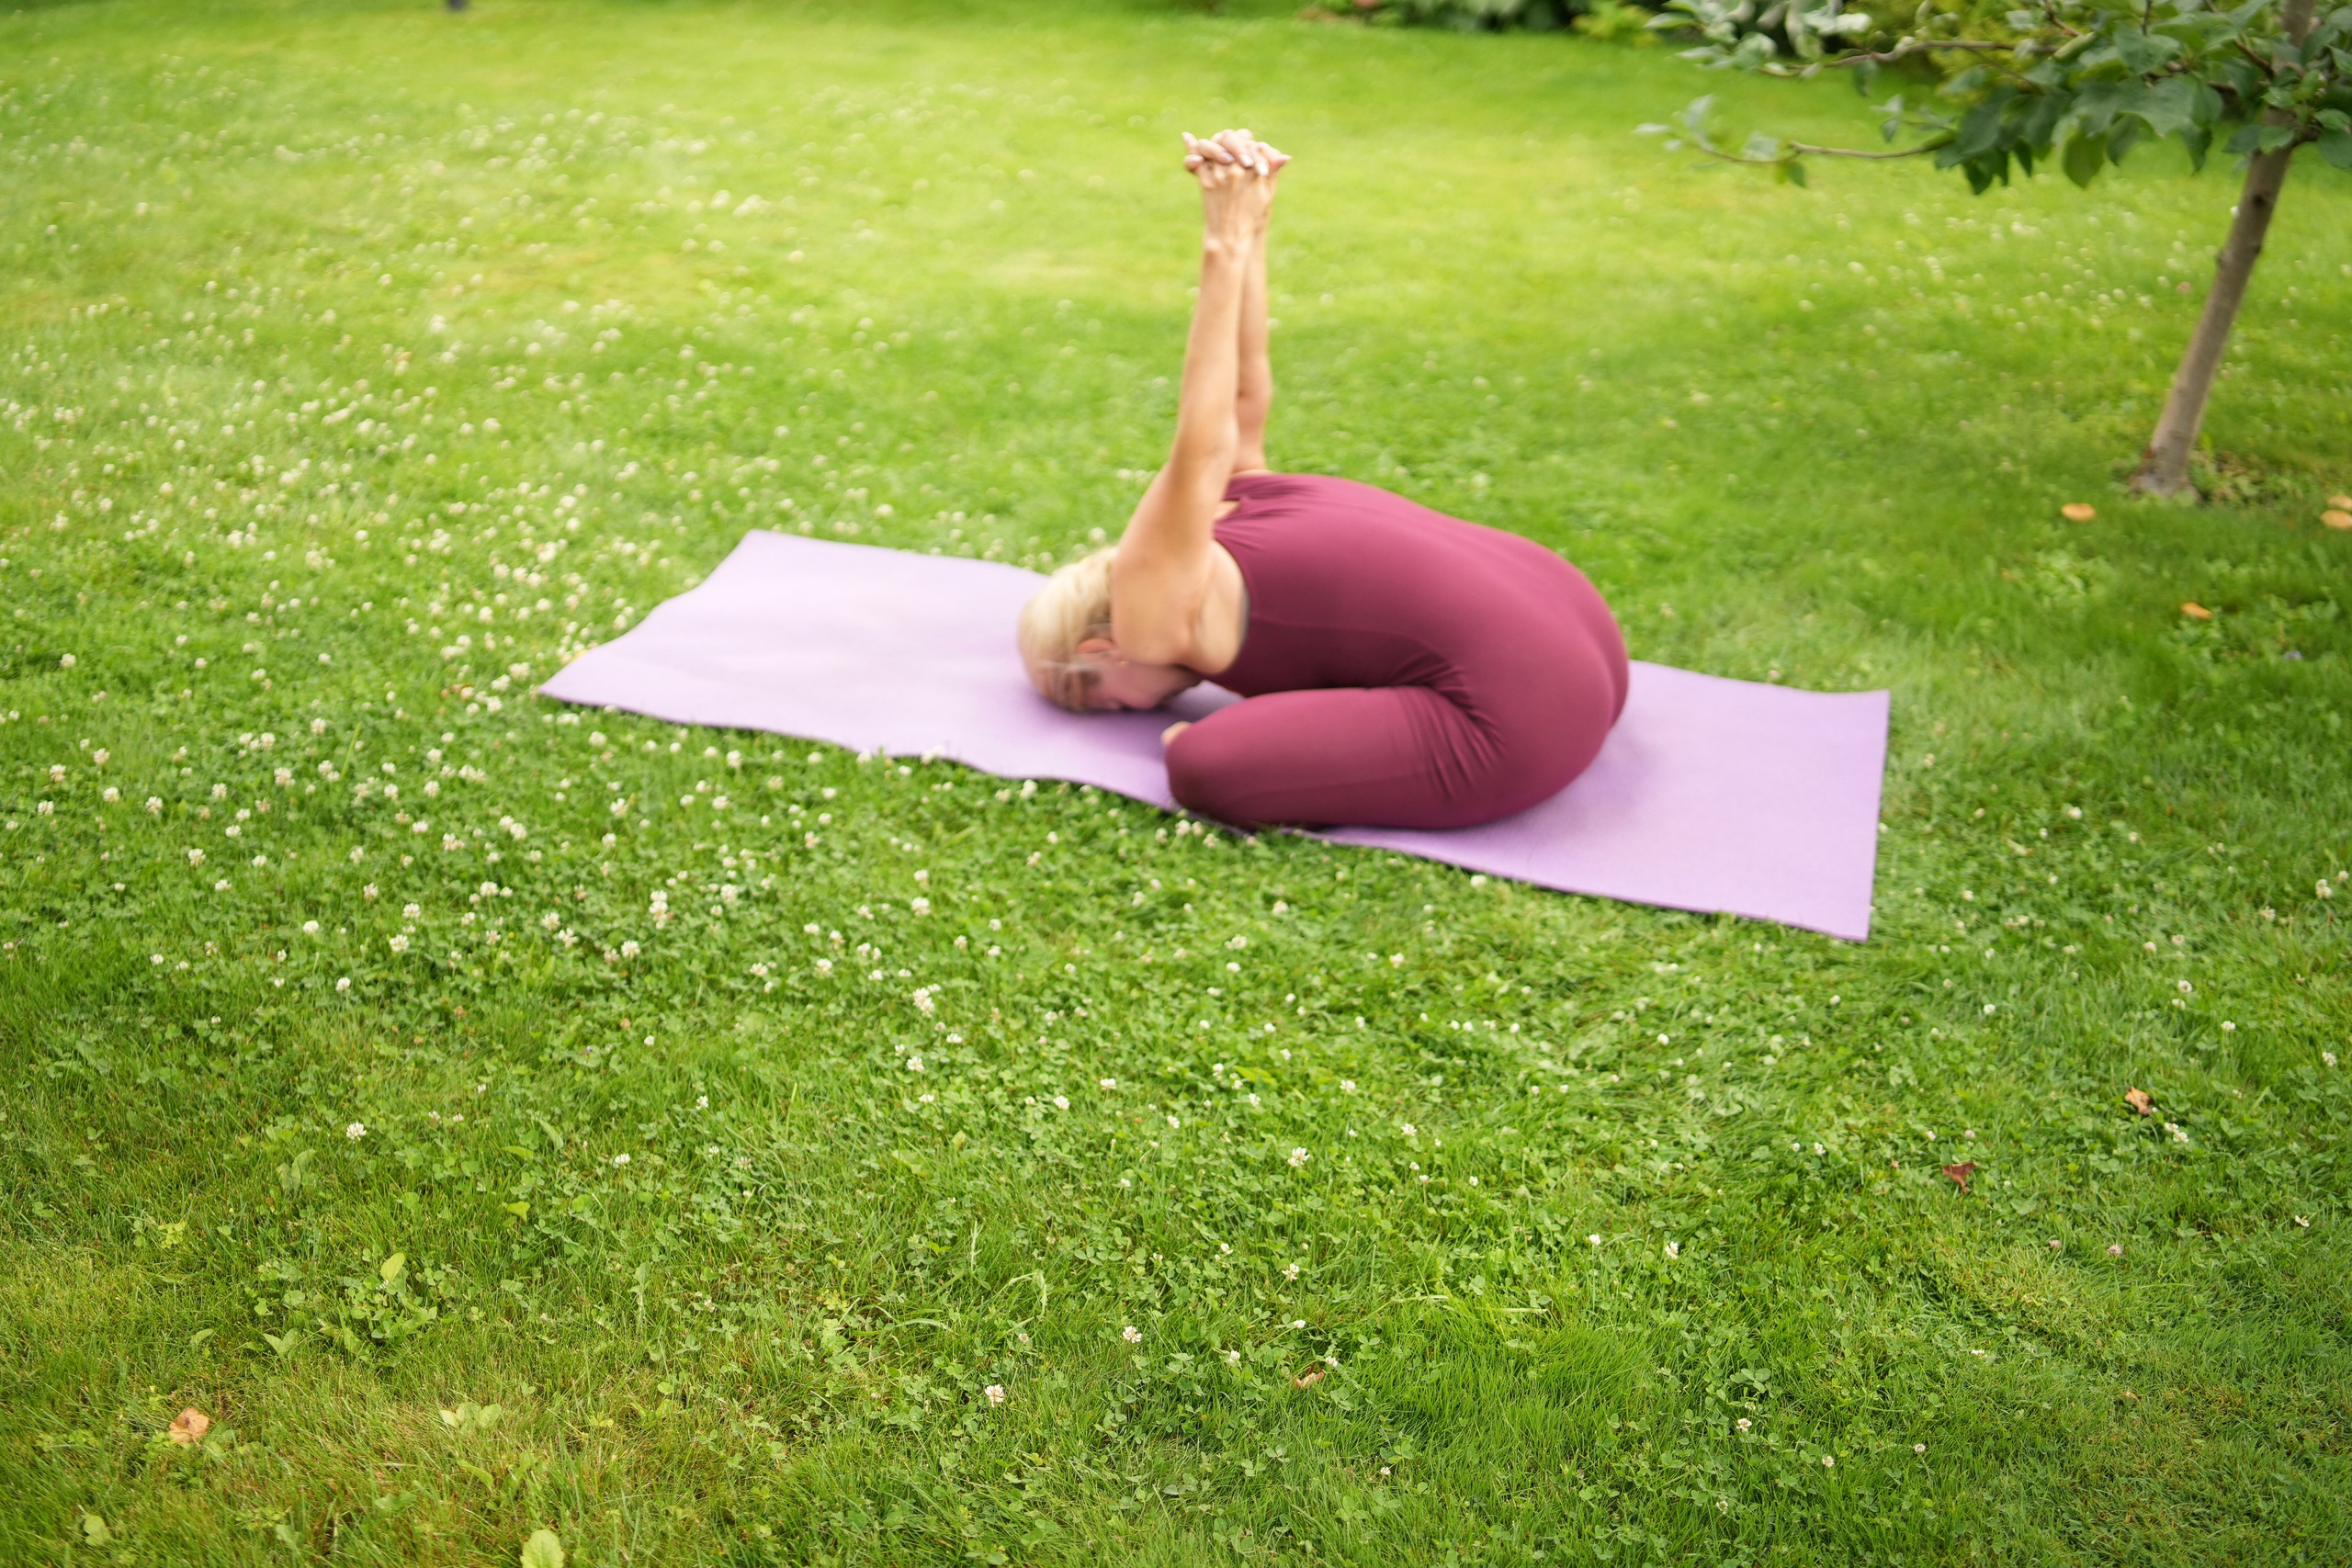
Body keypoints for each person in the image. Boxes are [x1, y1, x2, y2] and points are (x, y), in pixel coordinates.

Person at [1016, 130, 1626, 831]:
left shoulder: (1149, 620)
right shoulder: (1237, 498)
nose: (1140, 709)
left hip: (1528, 716)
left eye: (1107, 702)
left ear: (1100, 651)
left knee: (1204, 764)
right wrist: (1256, 220)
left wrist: (1226, 242)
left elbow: (1201, 437)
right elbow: (1246, 392)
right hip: (1580, 626)